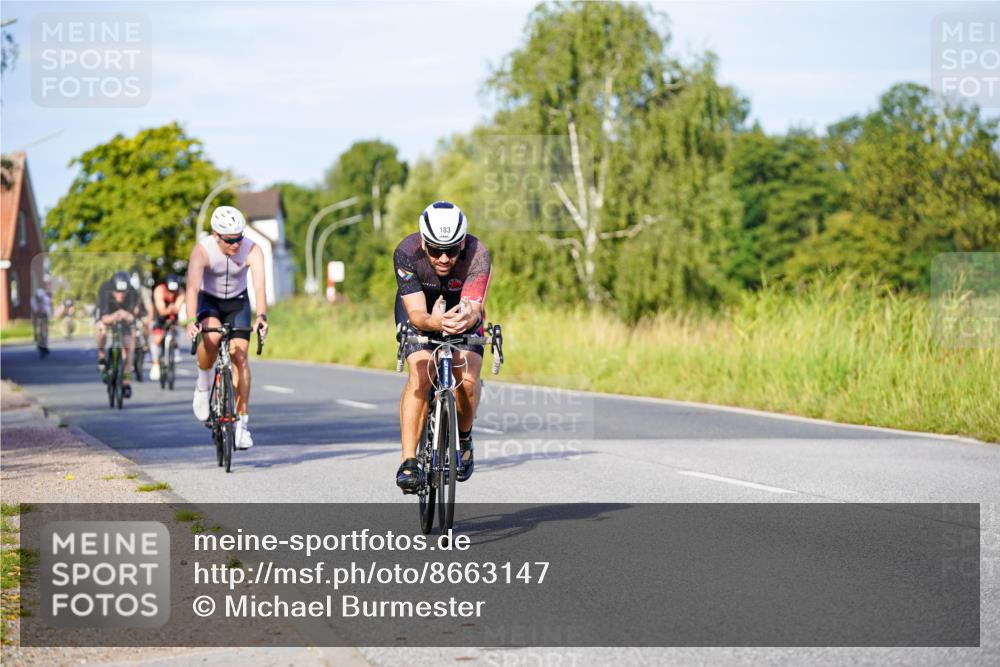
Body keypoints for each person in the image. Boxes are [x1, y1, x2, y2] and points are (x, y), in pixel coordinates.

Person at [393, 201, 492, 493]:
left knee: (469, 381)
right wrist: (434, 322)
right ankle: (409, 461)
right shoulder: (406, 252)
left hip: (462, 312)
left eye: (452, 250)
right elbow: (417, 315)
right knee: (421, 376)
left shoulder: (478, 253)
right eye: (436, 250)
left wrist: (467, 318)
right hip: (421, 309)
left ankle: (464, 436)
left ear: (463, 243)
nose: (445, 258)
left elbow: (475, 307)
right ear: (423, 242)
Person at [185, 206, 268, 450]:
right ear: (216, 235)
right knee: (210, 339)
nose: (235, 244)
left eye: (239, 237)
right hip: (210, 300)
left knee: (240, 357)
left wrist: (262, 316)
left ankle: (241, 426)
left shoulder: (252, 249)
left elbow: (260, 286)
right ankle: (202, 385)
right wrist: (191, 320)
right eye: (230, 240)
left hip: (238, 302)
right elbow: (191, 288)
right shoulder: (202, 250)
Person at [94, 271, 141, 396]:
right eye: (117, 292)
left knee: (130, 348)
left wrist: (126, 315)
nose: (121, 295)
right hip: (108, 314)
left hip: (124, 318)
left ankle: (126, 382)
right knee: (101, 329)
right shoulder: (105, 289)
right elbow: (103, 318)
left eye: (123, 292)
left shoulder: (133, 293)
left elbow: (133, 318)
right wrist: (114, 316)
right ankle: (102, 356)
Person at [149, 273, 185, 381]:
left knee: (177, 328)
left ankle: (175, 347)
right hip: (161, 317)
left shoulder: (181, 291)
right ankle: (155, 364)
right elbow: (161, 310)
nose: (171, 294)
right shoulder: (159, 290)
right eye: (170, 291)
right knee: (157, 340)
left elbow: (178, 306)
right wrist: (170, 309)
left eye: (174, 292)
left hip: (173, 316)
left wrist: (174, 309)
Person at [30, 287, 51, 356]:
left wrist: (45, 311)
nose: (39, 300)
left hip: (44, 313)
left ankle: (45, 343)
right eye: (38, 299)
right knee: (36, 325)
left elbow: (47, 308)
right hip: (36, 314)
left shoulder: (46, 299)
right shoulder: (33, 300)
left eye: (40, 299)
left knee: (45, 328)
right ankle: (35, 334)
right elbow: (35, 309)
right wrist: (37, 311)